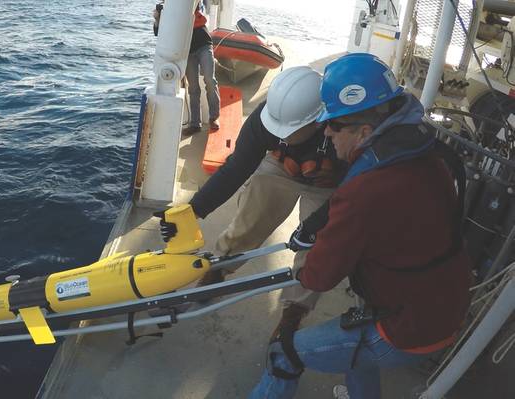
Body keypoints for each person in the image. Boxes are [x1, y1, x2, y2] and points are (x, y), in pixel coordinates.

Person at [248, 53, 473, 399]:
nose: (326, 131)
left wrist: (307, 265)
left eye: (335, 124)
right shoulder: (428, 153)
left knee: (283, 351)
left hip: (407, 328)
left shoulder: (366, 190)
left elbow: (319, 276)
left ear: (365, 131)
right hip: (448, 303)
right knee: (358, 355)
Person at [155, 66, 346, 337]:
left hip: (331, 185)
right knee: (247, 222)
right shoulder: (268, 117)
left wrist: (314, 224)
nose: (278, 134)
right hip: (283, 167)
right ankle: (214, 276)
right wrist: (191, 211)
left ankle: (293, 315)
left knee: (317, 252)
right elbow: (236, 168)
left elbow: (357, 188)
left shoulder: (346, 130)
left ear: (318, 122)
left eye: (287, 131)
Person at [153, 1, 220, 136]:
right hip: (187, 52)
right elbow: (158, 32)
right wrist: (156, 19)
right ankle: (195, 124)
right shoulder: (164, 8)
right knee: (193, 87)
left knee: (210, 80)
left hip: (204, 45)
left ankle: (214, 117)